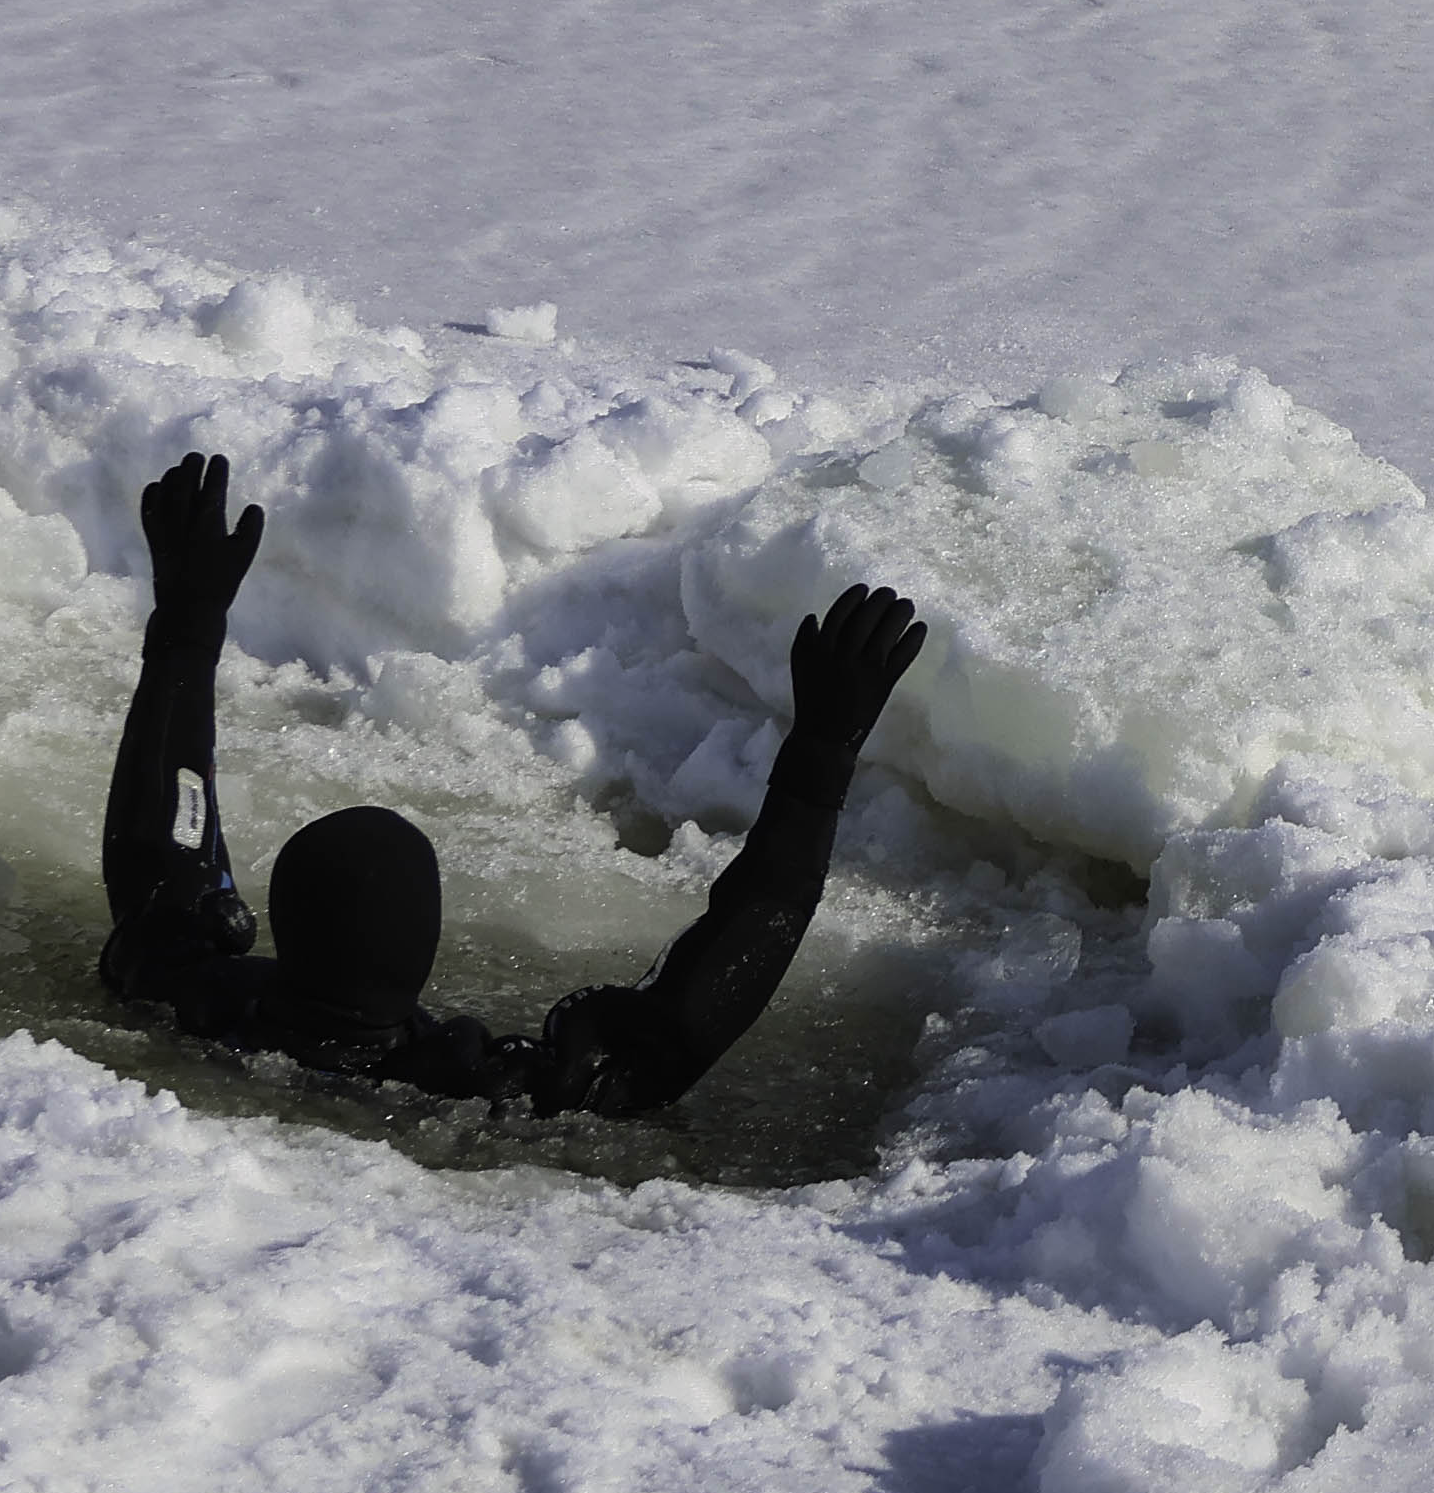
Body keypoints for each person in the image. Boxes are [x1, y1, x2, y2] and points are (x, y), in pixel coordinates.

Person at [93, 452, 920, 1118]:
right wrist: (821, 753)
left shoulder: (190, 994)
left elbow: (164, 855)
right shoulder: (490, 1094)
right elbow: (726, 967)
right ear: (422, 946)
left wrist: (186, 629)